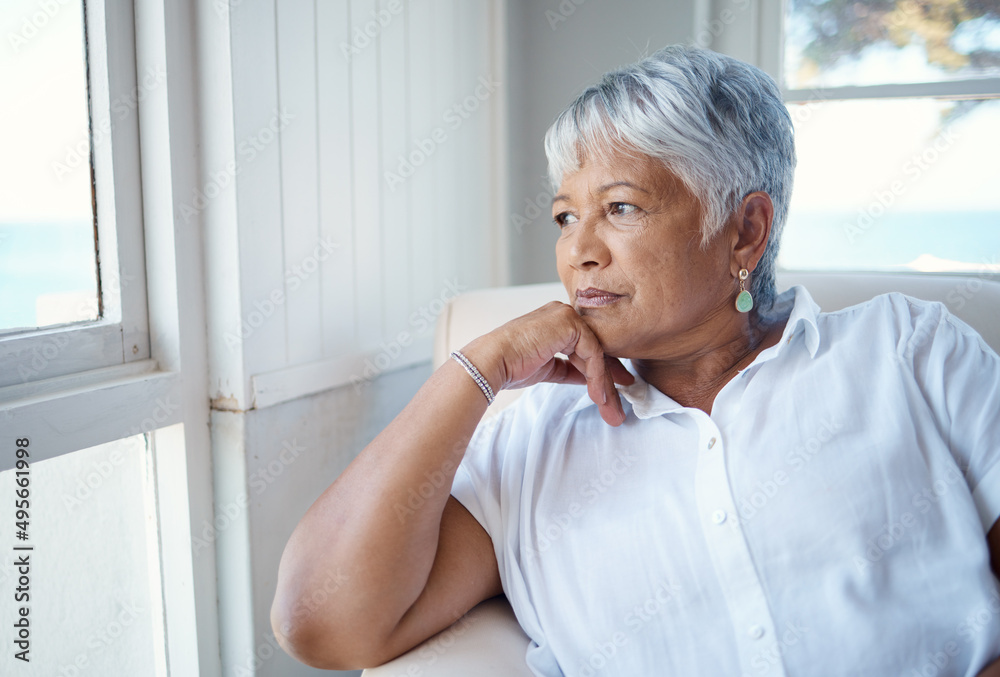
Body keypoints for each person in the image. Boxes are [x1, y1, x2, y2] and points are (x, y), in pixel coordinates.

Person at [270, 45, 1000, 676]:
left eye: (620, 207)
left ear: (745, 230)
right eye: (565, 216)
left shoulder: (908, 353)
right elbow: (319, 621)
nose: (578, 249)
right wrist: (477, 367)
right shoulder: (527, 443)